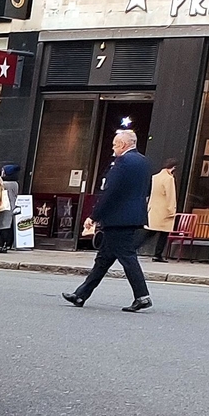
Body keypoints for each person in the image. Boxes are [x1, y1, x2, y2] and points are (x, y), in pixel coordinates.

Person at [63, 127, 155, 311]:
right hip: (133, 215)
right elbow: (147, 190)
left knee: (128, 257)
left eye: (114, 145)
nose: (113, 148)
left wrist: (94, 216)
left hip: (118, 218)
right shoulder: (144, 162)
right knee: (103, 259)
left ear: (122, 144)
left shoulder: (121, 162)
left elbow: (110, 193)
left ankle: (142, 296)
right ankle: (81, 295)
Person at [148, 156, 180, 261]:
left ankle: (134, 247)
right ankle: (158, 254)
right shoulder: (169, 179)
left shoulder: (155, 177)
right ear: (173, 167)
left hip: (154, 208)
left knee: (150, 231)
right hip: (165, 210)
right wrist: (172, 210)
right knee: (164, 233)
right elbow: (170, 195)